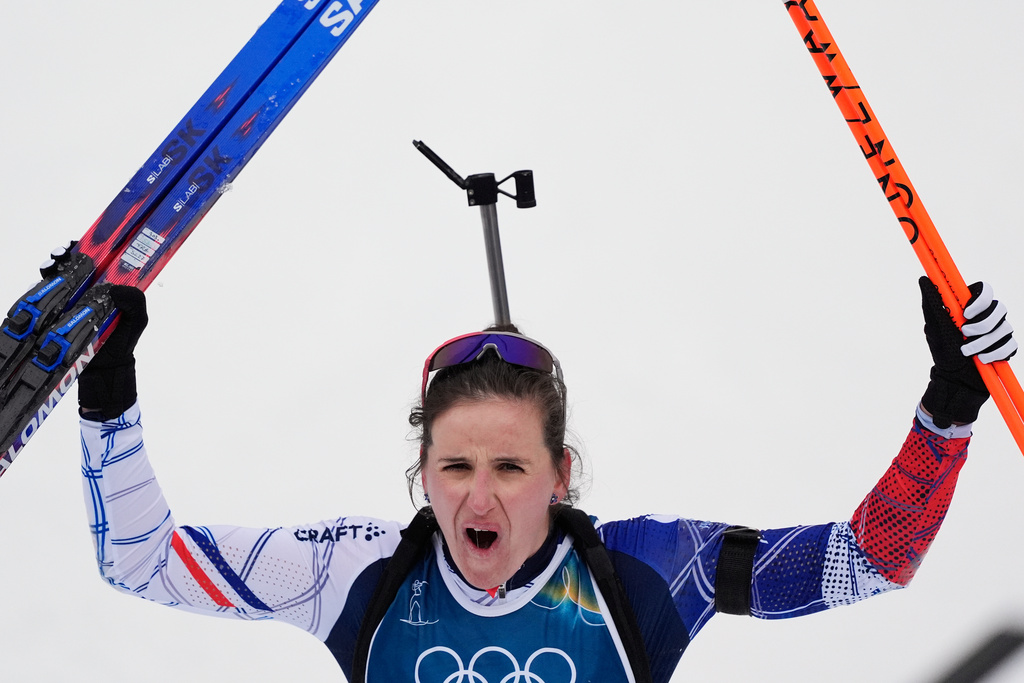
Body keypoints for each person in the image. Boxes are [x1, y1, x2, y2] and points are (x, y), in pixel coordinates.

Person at [78, 278, 1017, 683]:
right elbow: (142, 561)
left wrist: (948, 408)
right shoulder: (352, 574)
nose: (478, 497)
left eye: (510, 466)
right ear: (421, 473)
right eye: (454, 466)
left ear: (561, 474)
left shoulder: (647, 571)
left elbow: (867, 561)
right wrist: (108, 387)